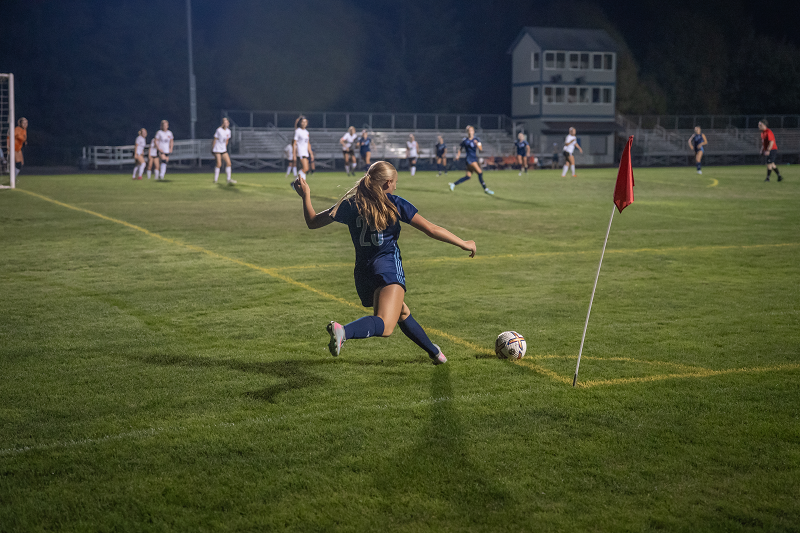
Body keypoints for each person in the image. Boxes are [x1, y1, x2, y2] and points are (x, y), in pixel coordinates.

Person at [292, 161, 476, 364]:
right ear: (388, 183)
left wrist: (306, 196)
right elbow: (431, 229)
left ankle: (435, 353)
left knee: (402, 312)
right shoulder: (394, 203)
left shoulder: (351, 204)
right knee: (386, 325)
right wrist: (463, 243)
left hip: (363, 273)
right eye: (395, 182)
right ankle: (343, 331)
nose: (396, 186)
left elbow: (312, 222)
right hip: (387, 268)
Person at [449, 125, 493, 195]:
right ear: (467, 132)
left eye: (471, 131)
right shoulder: (465, 140)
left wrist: (477, 144)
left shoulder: (477, 139)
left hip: (474, 158)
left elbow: (481, 149)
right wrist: (458, 155)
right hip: (469, 159)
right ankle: (486, 189)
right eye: (469, 131)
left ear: (473, 132)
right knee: (480, 172)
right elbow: (460, 148)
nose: (470, 132)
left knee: (468, 177)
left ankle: (453, 184)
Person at [211, 117, 235, 185]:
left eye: (227, 122)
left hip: (223, 149)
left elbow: (227, 140)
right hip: (217, 149)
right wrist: (213, 149)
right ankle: (215, 180)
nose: (226, 124)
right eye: (225, 122)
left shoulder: (228, 131)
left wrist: (225, 147)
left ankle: (228, 179)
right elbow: (215, 139)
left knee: (229, 163)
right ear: (223, 123)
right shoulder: (219, 130)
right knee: (219, 164)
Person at [292, 115, 314, 183]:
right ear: (300, 123)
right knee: (305, 168)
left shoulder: (306, 132)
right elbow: (294, 143)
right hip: (301, 152)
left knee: (305, 169)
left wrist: (311, 153)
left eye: (305, 122)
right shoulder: (298, 131)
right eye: (302, 122)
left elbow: (308, 143)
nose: (304, 123)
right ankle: (299, 182)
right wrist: (294, 155)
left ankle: (298, 182)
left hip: (305, 152)